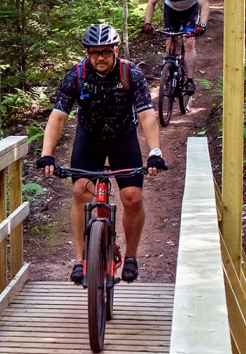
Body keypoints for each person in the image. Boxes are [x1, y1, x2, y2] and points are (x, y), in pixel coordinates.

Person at [35, 24, 166, 286]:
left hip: (123, 138)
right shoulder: (77, 75)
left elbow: (146, 115)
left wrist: (154, 152)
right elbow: (58, 117)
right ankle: (81, 259)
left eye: (106, 52)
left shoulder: (131, 73)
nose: (100, 58)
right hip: (89, 138)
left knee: (132, 197)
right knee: (80, 192)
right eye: (94, 53)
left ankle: (130, 257)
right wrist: (46, 154)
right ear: (87, 53)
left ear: (115, 50)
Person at [142, 0, 210, 96]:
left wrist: (202, 25)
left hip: (190, 11)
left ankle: (190, 80)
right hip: (171, 10)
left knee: (189, 41)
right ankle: (167, 80)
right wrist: (147, 23)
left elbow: (204, 5)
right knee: (170, 40)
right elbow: (151, 3)